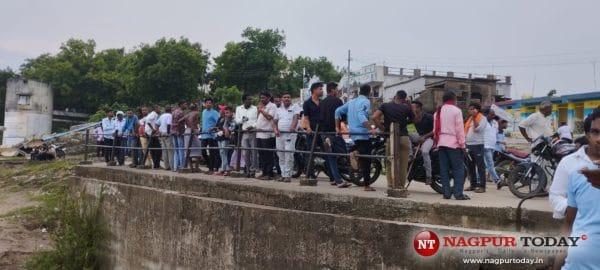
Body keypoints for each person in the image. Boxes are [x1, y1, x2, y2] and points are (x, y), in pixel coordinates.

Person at [554, 109, 600, 269]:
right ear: (588, 135)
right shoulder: (578, 173)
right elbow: (569, 224)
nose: (599, 139)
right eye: (595, 132)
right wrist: (557, 265)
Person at [549, 109, 600, 220]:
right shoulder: (569, 162)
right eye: (595, 132)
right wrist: (575, 210)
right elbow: (556, 196)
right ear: (588, 135)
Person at [335, 84, 378, 192]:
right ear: (369, 92)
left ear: (359, 91)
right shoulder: (366, 102)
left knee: (362, 157)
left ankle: (354, 152)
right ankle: (367, 185)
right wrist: (371, 129)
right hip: (363, 134)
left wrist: (337, 127)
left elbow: (337, 111)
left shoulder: (351, 102)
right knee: (367, 161)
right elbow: (361, 115)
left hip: (353, 133)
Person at [373, 90, 414, 187]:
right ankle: (400, 186)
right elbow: (415, 119)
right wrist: (409, 105)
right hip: (404, 137)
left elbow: (375, 117)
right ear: (404, 99)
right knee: (403, 164)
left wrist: (383, 129)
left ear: (395, 96)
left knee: (389, 162)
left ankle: (391, 185)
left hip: (391, 137)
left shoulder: (385, 106)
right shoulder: (406, 108)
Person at [433, 90, 469, 200]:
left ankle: (446, 193)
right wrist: (463, 146)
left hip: (441, 143)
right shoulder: (456, 111)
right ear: (453, 99)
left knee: (444, 169)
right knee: (458, 169)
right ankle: (458, 194)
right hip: (453, 144)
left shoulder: (437, 112)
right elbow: (459, 130)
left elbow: (435, 130)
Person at [319, 82, 350, 187]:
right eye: (337, 89)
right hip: (334, 132)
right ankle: (338, 180)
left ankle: (333, 178)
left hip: (324, 133)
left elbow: (320, 118)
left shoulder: (322, 102)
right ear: (332, 90)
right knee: (342, 153)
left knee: (330, 156)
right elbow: (343, 117)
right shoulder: (338, 101)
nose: (338, 91)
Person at [273, 93, 302, 183]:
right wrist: (275, 130)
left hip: (290, 135)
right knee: (280, 155)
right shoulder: (278, 109)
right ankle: (283, 174)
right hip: (279, 135)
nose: (286, 99)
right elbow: (274, 122)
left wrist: (293, 127)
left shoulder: (295, 107)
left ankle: (288, 175)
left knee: (289, 155)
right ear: (282, 99)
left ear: (291, 99)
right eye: (284, 97)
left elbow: (296, 118)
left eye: (288, 97)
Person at [302, 82, 324, 179]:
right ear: (314, 90)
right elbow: (306, 118)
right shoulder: (307, 103)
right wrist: (308, 127)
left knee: (327, 152)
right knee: (310, 152)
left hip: (322, 131)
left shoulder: (323, 102)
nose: (322, 91)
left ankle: (332, 175)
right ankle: (309, 173)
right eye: (320, 89)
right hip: (312, 132)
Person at [465, 102, 487, 193]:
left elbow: (478, 129)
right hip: (468, 145)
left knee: (480, 166)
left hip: (478, 145)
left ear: (477, 110)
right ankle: (473, 185)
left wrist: (474, 117)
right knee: (470, 166)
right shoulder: (469, 119)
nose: (470, 110)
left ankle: (482, 186)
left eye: (472, 109)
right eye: (469, 109)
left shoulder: (482, 118)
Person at [409, 101, 434, 184]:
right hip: (418, 138)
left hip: (428, 139)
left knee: (425, 152)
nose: (411, 109)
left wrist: (424, 137)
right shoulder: (412, 118)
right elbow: (409, 129)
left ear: (419, 108)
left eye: (413, 107)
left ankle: (429, 176)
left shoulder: (429, 117)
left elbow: (435, 130)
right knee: (405, 135)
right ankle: (410, 155)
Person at [235, 94, 259, 177]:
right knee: (245, 153)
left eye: (251, 99)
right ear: (244, 100)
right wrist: (242, 120)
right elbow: (237, 121)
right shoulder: (239, 108)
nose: (250, 101)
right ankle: (247, 169)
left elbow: (258, 120)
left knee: (254, 152)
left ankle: (253, 170)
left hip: (253, 132)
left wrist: (252, 126)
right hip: (244, 132)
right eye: (249, 99)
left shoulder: (255, 108)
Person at [256, 92, 277, 180]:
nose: (262, 99)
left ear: (268, 98)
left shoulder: (272, 106)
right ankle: (264, 172)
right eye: (261, 98)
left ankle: (269, 173)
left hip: (267, 134)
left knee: (268, 155)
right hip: (259, 134)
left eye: (264, 98)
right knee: (261, 155)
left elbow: (269, 117)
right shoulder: (261, 106)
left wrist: (261, 110)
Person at [200, 98, 221, 174]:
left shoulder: (215, 112)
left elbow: (219, 122)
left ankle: (212, 169)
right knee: (203, 151)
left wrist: (213, 128)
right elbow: (203, 122)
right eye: (207, 103)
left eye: (210, 103)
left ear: (212, 104)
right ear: (205, 104)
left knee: (212, 152)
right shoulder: (203, 112)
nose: (208, 104)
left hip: (211, 135)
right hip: (203, 135)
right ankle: (210, 166)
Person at [483, 109, 501, 189]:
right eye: (491, 114)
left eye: (493, 115)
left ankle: (478, 180)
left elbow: (495, 133)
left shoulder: (495, 123)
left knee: (485, 164)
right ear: (486, 114)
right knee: (490, 164)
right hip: (485, 145)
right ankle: (497, 180)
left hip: (492, 146)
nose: (493, 116)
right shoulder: (482, 122)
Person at [215, 106, 236, 176]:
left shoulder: (232, 120)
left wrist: (226, 130)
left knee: (224, 152)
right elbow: (220, 127)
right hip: (220, 136)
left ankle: (224, 168)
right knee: (221, 152)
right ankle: (224, 168)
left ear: (231, 113)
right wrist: (223, 130)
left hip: (226, 138)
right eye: (225, 112)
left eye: (227, 112)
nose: (226, 114)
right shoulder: (222, 119)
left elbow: (232, 128)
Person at [182, 103, 202, 171]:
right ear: (196, 108)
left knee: (188, 149)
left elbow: (179, 121)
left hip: (187, 131)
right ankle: (196, 167)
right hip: (193, 130)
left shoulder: (187, 114)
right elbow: (196, 122)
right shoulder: (197, 113)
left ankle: (191, 167)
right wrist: (194, 129)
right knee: (200, 148)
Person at [171, 101, 188, 172]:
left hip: (173, 132)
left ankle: (175, 167)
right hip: (179, 132)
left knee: (176, 150)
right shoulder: (181, 113)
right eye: (185, 104)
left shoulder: (174, 112)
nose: (186, 105)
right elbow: (181, 123)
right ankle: (182, 166)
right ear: (181, 105)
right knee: (181, 149)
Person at [157, 106, 173, 171]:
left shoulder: (162, 116)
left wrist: (158, 131)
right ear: (170, 110)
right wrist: (168, 133)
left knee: (164, 151)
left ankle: (166, 166)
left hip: (161, 134)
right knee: (170, 151)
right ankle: (172, 166)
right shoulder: (170, 115)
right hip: (167, 134)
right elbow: (169, 124)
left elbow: (156, 124)